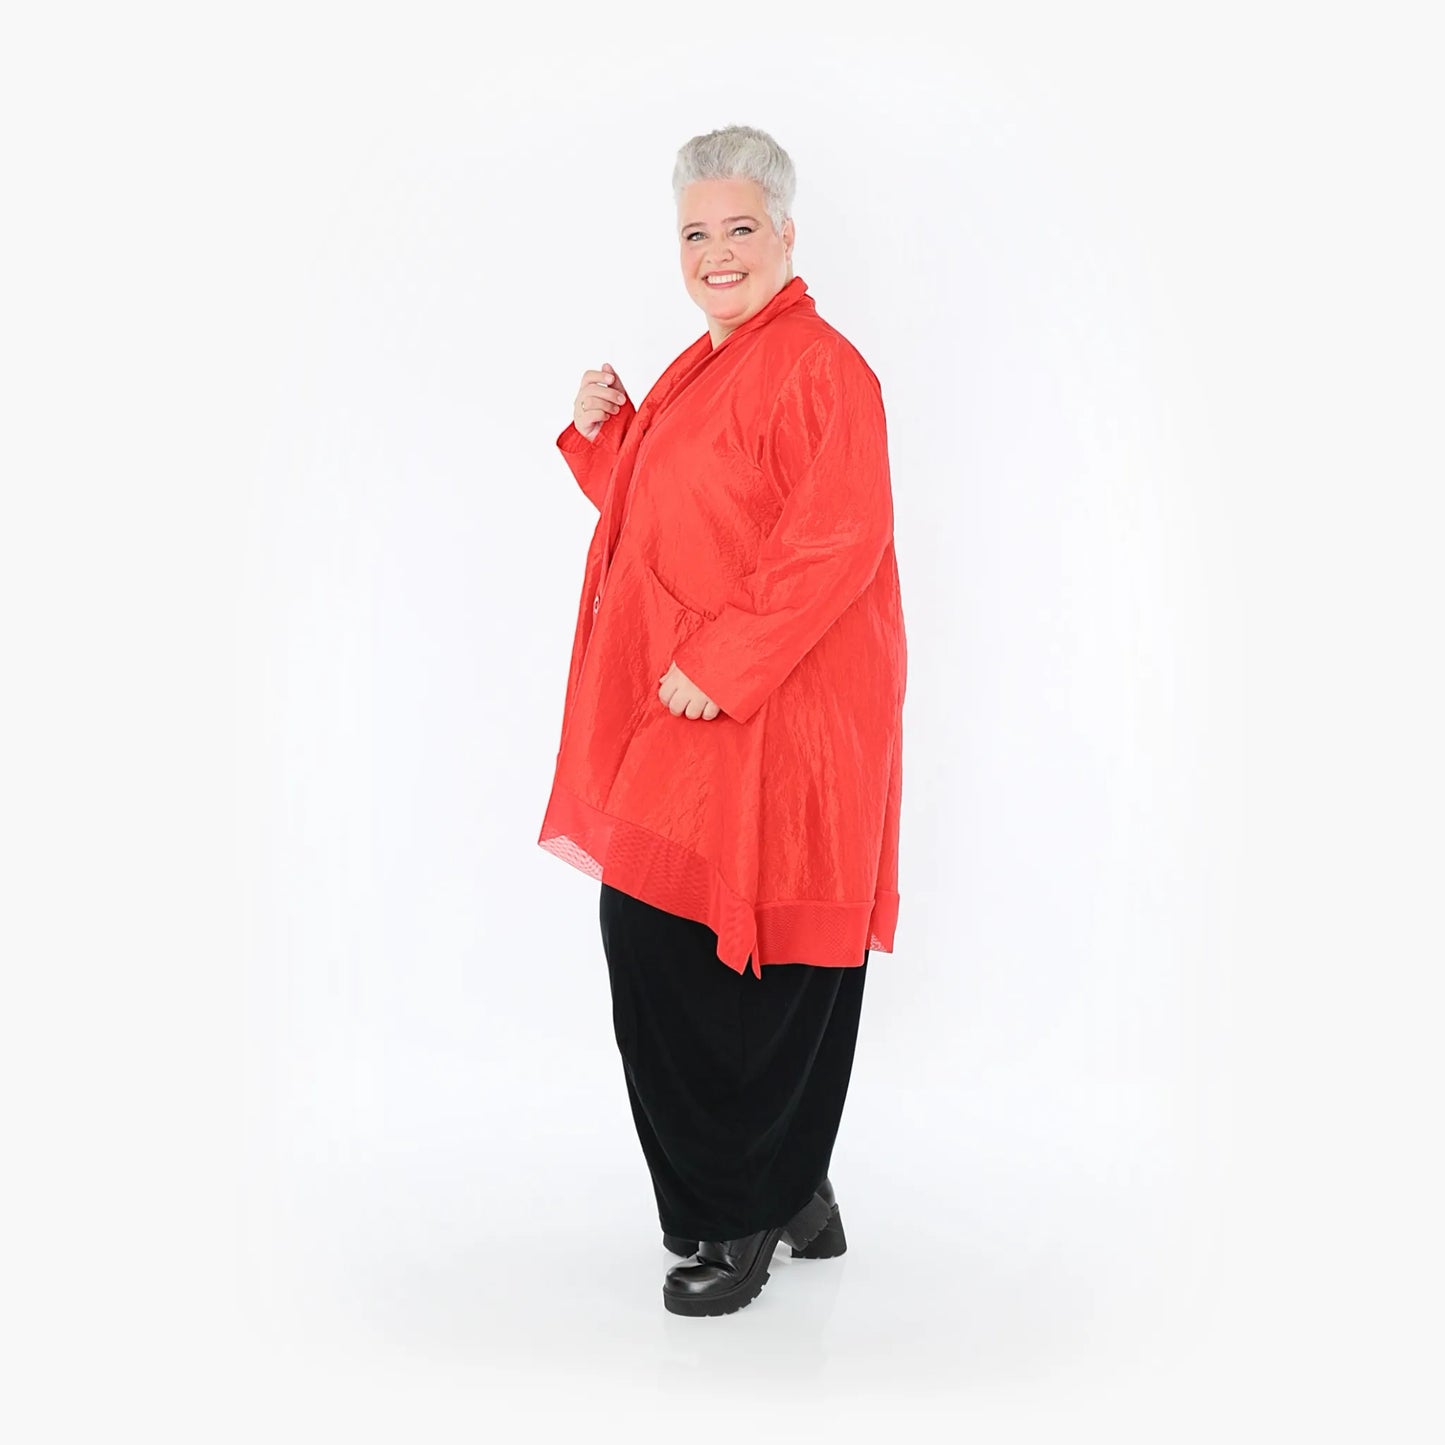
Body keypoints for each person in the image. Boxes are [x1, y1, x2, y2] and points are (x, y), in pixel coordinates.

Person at [537, 124, 907, 1317]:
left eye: (739, 226)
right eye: (695, 232)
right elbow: (677, 516)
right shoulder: (705, 363)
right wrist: (610, 433)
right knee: (661, 932)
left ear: (785, 233)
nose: (715, 252)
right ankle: (790, 1187)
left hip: (788, 718)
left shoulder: (823, 369)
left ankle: (744, 1204)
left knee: (747, 956)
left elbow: (837, 536)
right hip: (699, 706)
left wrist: (724, 659)